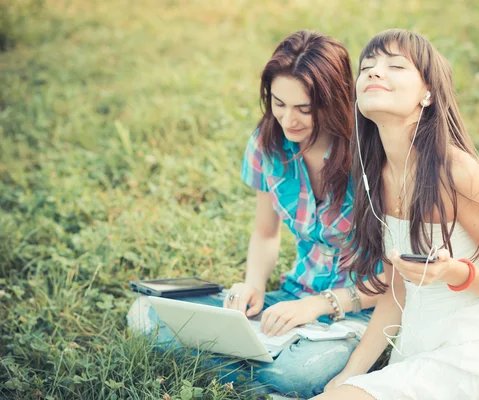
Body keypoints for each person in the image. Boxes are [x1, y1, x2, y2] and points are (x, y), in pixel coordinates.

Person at [127, 30, 382, 398]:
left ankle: (248, 364)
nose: (288, 120)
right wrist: (254, 286)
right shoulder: (268, 144)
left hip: (358, 312)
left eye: (304, 109)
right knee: (144, 315)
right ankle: (262, 368)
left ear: (334, 99)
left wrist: (319, 305)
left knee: (301, 375)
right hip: (291, 299)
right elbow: (265, 233)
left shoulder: (372, 155)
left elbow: (397, 279)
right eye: (279, 103)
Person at [315, 29, 479, 400]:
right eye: (367, 66)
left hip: (475, 348)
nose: (375, 72)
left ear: (428, 93)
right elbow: (396, 294)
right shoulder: (374, 174)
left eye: (395, 65)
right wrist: (350, 372)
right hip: (417, 350)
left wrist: (452, 271)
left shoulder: (457, 171)